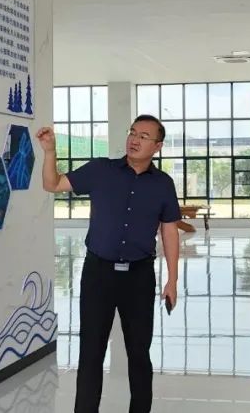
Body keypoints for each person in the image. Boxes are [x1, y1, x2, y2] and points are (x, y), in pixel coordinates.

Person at [36, 115, 182, 413]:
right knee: (91, 352)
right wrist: (50, 151)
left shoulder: (163, 184)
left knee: (139, 354)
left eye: (144, 136)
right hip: (98, 274)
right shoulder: (101, 170)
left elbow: (169, 231)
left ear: (158, 146)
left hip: (139, 277)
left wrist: (172, 280)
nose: (135, 139)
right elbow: (52, 184)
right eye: (132, 132)